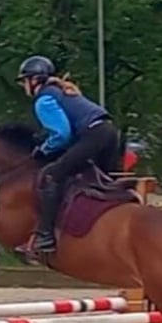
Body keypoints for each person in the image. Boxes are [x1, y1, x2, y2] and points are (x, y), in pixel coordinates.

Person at [16, 55, 120, 254]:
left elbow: (61, 134)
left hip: (94, 135)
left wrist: (43, 150)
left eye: (24, 81)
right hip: (109, 133)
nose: (23, 86)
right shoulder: (63, 92)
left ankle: (45, 237)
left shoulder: (44, 99)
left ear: (34, 80)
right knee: (98, 182)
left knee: (51, 175)